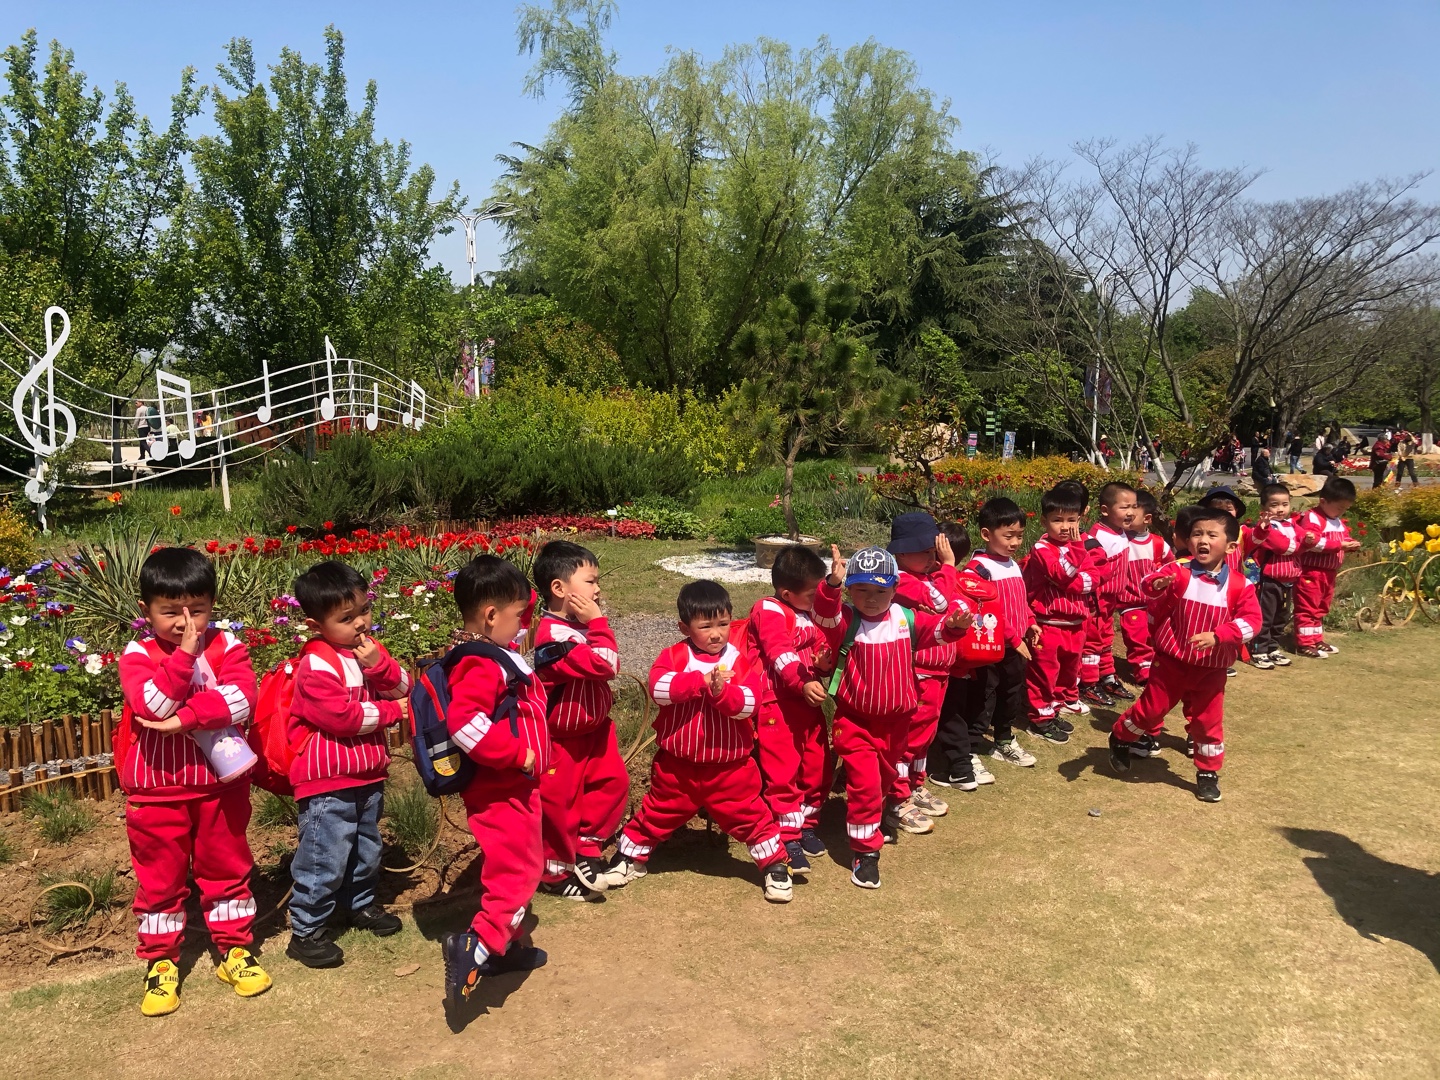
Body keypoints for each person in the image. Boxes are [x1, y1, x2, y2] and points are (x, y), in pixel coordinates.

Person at [117, 547, 269, 1016]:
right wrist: (184, 658)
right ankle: (161, 961)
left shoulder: (228, 646)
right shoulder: (137, 654)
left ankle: (235, 949)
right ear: (146, 610)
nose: (186, 622)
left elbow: (242, 699)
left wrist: (186, 718)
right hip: (156, 790)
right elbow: (151, 706)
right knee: (160, 878)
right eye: (170, 612)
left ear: (212, 605)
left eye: (197, 610)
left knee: (227, 868)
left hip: (220, 786)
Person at [601, 580, 792, 902]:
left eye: (723, 624)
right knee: (657, 813)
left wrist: (722, 694)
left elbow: (750, 704)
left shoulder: (738, 661)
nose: (716, 634)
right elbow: (659, 688)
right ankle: (630, 857)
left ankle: (775, 864)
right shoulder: (674, 656)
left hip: (730, 769)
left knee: (751, 817)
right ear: (684, 627)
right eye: (706, 626)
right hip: (678, 767)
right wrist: (700, 683)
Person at [812, 546, 972, 888]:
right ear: (850, 591)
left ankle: (875, 818)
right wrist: (831, 585)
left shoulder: (905, 618)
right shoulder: (847, 621)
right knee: (866, 787)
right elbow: (823, 616)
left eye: (880, 590)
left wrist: (954, 626)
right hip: (856, 723)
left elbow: (937, 632)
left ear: (895, 588)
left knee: (884, 781)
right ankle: (866, 852)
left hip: (898, 725)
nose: (871, 599)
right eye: (861, 590)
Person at [441, 555, 552, 1012]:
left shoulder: (487, 654)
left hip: (513, 786)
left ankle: (506, 947)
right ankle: (478, 946)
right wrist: (516, 754)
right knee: (519, 870)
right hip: (500, 787)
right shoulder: (480, 663)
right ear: (491, 615)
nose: (524, 625)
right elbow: (465, 724)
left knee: (518, 861)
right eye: (519, 615)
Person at [286, 561, 410, 967]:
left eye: (364, 610)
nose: (360, 623)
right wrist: (391, 712)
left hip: (367, 772)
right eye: (346, 618)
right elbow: (342, 718)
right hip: (328, 779)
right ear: (315, 624)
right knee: (324, 855)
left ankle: (359, 905)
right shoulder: (316, 664)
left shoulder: (368, 651)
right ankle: (306, 929)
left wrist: (379, 665)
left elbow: (403, 686)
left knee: (366, 847)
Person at [1107, 507, 1260, 803]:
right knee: (1151, 711)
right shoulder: (1179, 570)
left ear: (1230, 547)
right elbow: (1149, 584)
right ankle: (1121, 737)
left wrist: (1219, 636)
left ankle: (1207, 772)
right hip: (1171, 663)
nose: (1203, 540)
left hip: (1211, 669)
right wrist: (1156, 585)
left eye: (1212, 535)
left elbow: (1252, 623)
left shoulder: (1241, 586)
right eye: (1197, 534)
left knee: (1207, 721)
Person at [530, 541, 627, 900]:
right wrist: (599, 624)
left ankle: (587, 848)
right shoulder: (552, 637)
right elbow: (607, 664)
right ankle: (554, 875)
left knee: (612, 784)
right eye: (590, 581)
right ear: (559, 588)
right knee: (560, 805)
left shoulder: (579, 627)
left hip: (596, 730)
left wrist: (594, 626)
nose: (597, 589)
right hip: (562, 739)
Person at [747, 545, 833, 875]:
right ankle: (787, 836)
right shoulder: (768, 609)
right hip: (777, 704)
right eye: (813, 593)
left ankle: (807, 823)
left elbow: (818, 650)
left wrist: (821, 665)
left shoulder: (809, 614)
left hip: (807, 702)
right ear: (787, 593)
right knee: (782, 770)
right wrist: (803, 681)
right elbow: (779, 651)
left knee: (817, 764)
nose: (817, 598)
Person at [890, 512, 972, 820]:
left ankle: (915, 784)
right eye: (923, 551)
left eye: (933, 551)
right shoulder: (901, 580)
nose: (931, 557)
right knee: (908, 736)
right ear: (901, 553)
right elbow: (939, 603)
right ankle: (897, 796)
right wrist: (949, 566)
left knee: (925, 735)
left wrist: (943, 588)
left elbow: (957, 605)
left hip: (940, 670)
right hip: (917, 670)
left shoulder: (929, 578)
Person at [950, 501, 1038, 774]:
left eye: (1019, 536)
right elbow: (989, 613)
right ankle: (971, 748)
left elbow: (1019, 601)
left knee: (1011, 693)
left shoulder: (1012, 565)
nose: (1015, 543)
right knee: (984, 697)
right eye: (1008, 536)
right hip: (988, 647)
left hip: (1015, 646)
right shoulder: (978, 570)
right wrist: (1014, 638)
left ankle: (1004, 738)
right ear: (986, 534)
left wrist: (1030, 621)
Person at [1022, 485, 1100, 741]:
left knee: (1067, 671)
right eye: (1058, 520)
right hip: (1048, 623)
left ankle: (1053, 709)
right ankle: (1040, 718)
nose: (1066, 527)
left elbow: (1093, 579)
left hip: (1075, 622)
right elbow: (1061, 573)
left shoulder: (1076, 548)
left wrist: (1071, 582)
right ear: (1044, 521)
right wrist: (1073, 566)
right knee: (1044, 673)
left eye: (1071, 520)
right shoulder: (1042, 548)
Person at [1079, 482, 1139, 707]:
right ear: (1105, 510)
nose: (1130, 512)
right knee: (1092, 641)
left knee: (1106, 639)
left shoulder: (1120, 533)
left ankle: (1106, 676)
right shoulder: (1099, 536)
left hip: (1111, 600)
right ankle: (1088, 683)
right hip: (1097, 600)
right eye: (1124, 507)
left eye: (1134, 506)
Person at [1294, 477, 1362, 658]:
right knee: (1307, 607)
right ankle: (1304, 643)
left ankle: (1316, 639)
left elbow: (1344, 537)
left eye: (1345, 509)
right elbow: (1312, 542)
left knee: (1321, 607)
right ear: (1323, 501)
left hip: (1329, 573)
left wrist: (1351, 544)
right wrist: (1339, 545)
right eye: (1339, 508)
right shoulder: (1313, 518)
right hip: (1311, 572)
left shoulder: (1337, 520)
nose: (1342, 512)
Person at [1116, 490, 1173, 691]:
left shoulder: (1158, 544)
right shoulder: (1119, 541)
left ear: (1147, 519)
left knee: (1156, 637)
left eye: (1133, 513)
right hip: (1130, 603)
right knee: (1137, 638)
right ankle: (1144, 672)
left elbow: (1170, 566)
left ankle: (1157, 667)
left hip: (1155, 604)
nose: (1127, 515)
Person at [1247, 483, 1303, 669]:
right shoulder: (1266, 527)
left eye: (1285, 504)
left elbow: (1309, 540)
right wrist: (1302, 545)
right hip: (1270, 580)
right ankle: (1258, 650)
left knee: (1281, 617)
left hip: (1289, 580)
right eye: (1274, 505)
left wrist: (1307, 541)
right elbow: (1282, 546)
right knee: (1266, 616)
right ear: (1264, 507)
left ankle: (1273, 647)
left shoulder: (1292, 525)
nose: (1280, 509)